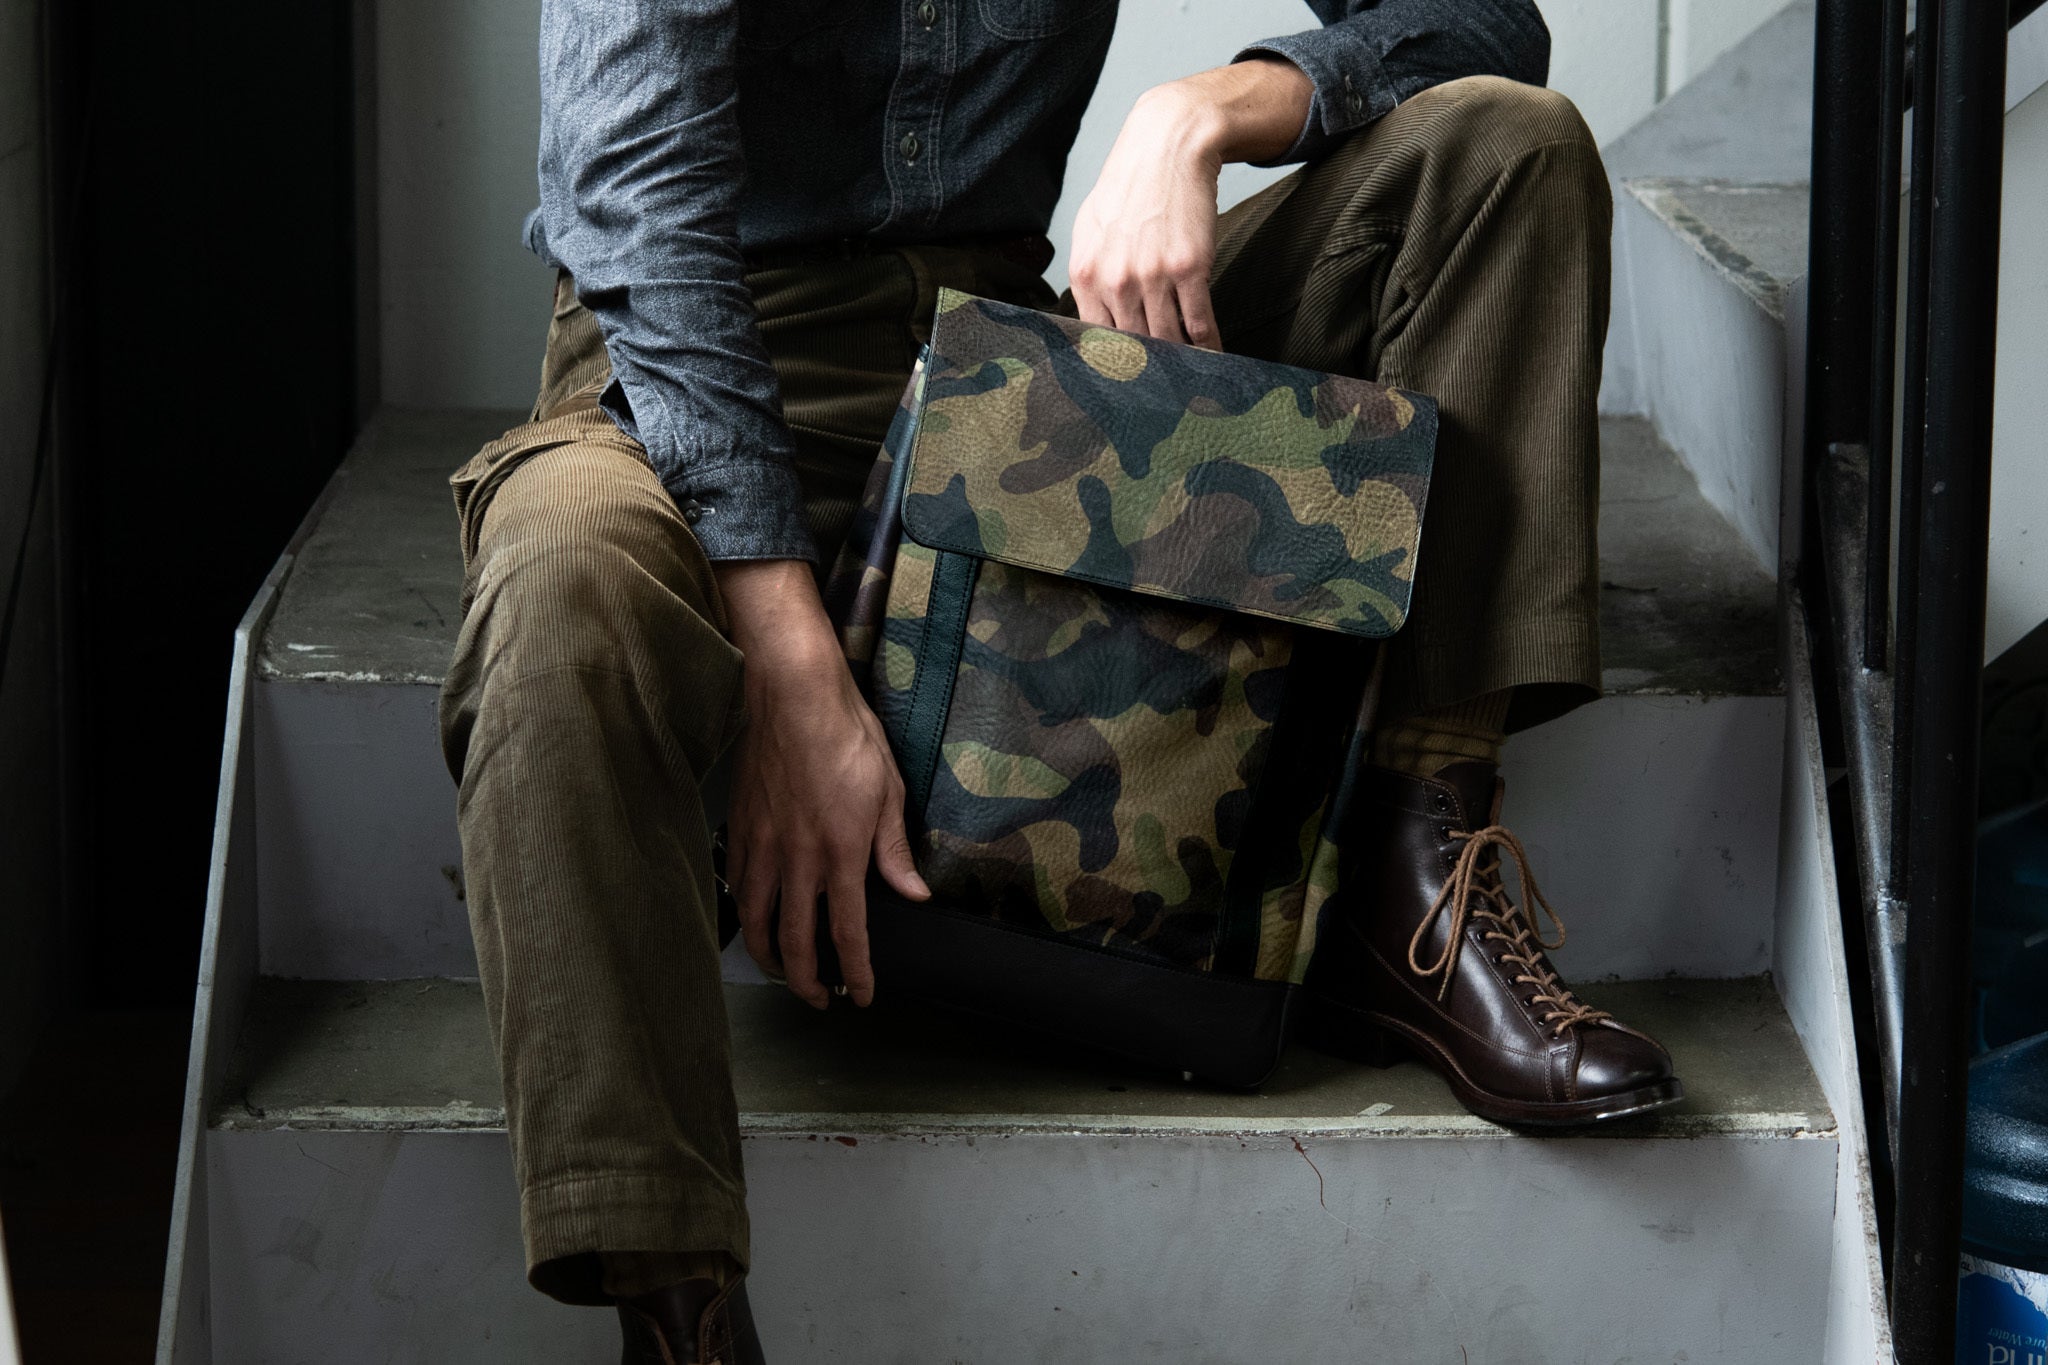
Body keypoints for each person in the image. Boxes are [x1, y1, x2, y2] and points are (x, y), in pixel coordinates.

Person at [436, 1, 1683, 1358]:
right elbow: (635, 202)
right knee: (560, 567)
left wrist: (1199, 112)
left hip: (996, 371)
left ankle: (1408, 872)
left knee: (1505, 145)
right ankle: (679, 1310)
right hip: (677, 377)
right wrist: (793, 672)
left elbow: (1479, 23)